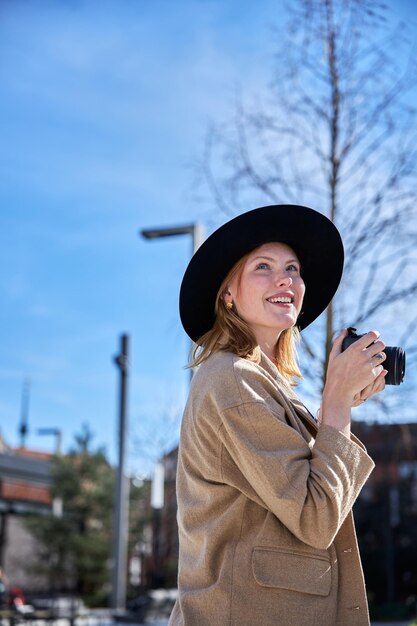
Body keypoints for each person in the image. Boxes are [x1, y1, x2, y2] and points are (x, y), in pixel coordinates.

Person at [169, 204, 387, 626]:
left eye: (292, 268)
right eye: (263, 267)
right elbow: (315, 515)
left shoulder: (264, 385)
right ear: (228, 293)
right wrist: (337, 405)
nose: (285, 278)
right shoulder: (231, 379)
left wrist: (332, 411)